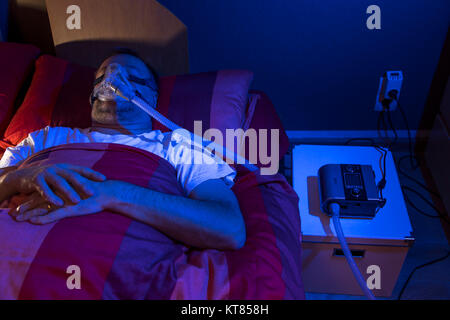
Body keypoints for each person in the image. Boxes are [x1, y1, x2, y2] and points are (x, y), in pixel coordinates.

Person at [0, 50, 245, 250]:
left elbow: (228, 227)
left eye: (132, 76)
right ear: (92, 95)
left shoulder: (179, 147)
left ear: (152, 98)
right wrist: (16, 177)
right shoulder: (45, 138)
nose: (112, 77)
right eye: (102, 75)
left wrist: (113, 194)